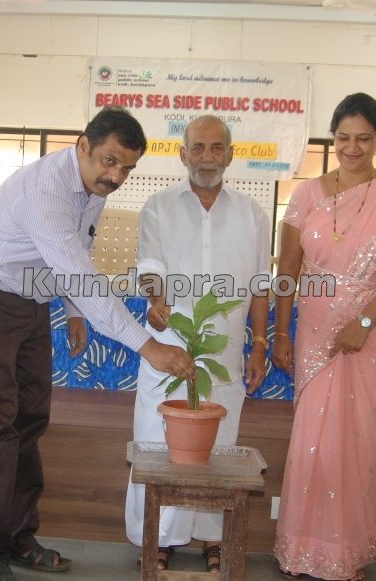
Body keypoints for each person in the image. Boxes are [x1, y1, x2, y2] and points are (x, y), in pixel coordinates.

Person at [0, 106, 196, 581]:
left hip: (31, 301)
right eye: (109, 161)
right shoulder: (46, 190)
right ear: (82, 145)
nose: (116, 176)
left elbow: (76, 252)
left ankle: (20, 538)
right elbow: (80, 274)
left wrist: (75, 312)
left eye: (127, 167)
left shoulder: (91, 187)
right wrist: (148, 346)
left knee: (30, 419)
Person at [271, 92, 376, 581]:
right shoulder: (306, 195)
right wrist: (280, 330)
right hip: (317, 332)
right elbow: (288, 270)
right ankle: (301, 551)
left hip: (372, 335)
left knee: (361, 442)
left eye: (364, 138)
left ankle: (345, 554)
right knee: (313, 440)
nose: (352, 148)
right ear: (331, 138)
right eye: (343, 138)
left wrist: (363, 323)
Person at [123, 115, 272, 573]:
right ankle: (159, 536)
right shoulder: (158, 206)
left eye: (216, 148)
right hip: (171, 347)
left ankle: (213, 537)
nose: (207, 157)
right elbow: (151, 266)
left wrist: (261, 343)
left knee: (220, 443)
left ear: (230, 154)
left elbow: (262, 286)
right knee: (157, 436)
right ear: (183, 154)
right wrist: (157, 303)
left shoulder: (253, 213)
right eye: (198, 148)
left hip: (223, 354)